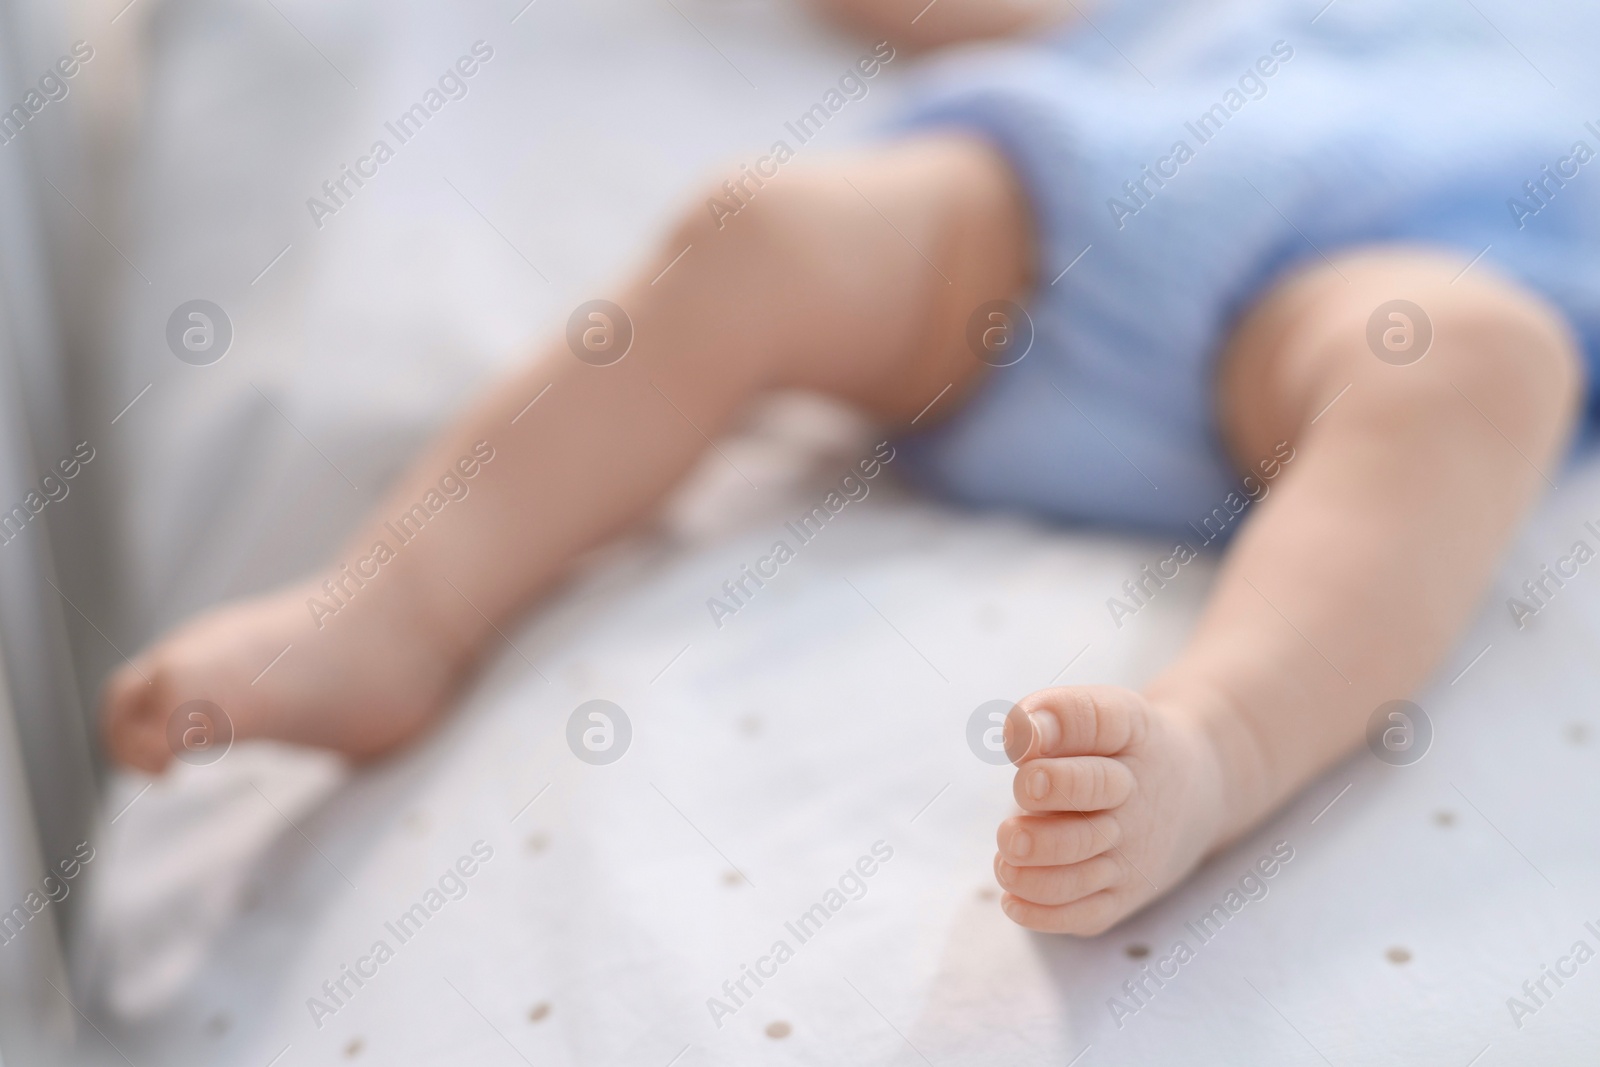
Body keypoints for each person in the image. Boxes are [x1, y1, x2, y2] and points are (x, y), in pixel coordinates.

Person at [101, 0, 1600, 935]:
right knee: (757, 236)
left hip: (1397, 277)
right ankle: (394, 610)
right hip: (1071, 205)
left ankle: (1212, 745)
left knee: (1467, 369)